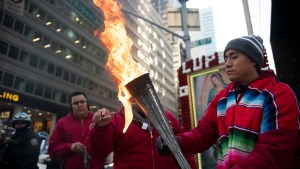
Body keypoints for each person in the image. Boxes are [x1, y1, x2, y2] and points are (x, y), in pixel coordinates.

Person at [157, 35, 300, 168]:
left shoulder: (277, 93)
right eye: (226, 59)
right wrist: (178, 142)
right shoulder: (222, 98)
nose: (227, 64)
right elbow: (203, 134)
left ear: (253, 60)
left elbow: (274, 151)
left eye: (234, 57)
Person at [86, 102, 198, 169]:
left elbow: (185, 152)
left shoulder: (168, 118)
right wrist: (100, 128)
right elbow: (98, 152)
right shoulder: (116, 120)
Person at [48, 91, 94, 169]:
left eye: (82, 102)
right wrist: (70, 147)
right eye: (76, 103)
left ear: (87, 104)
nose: (80, 105)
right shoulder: (62, 123)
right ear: (71, 106)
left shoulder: (97, 120)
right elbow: (52, 150)